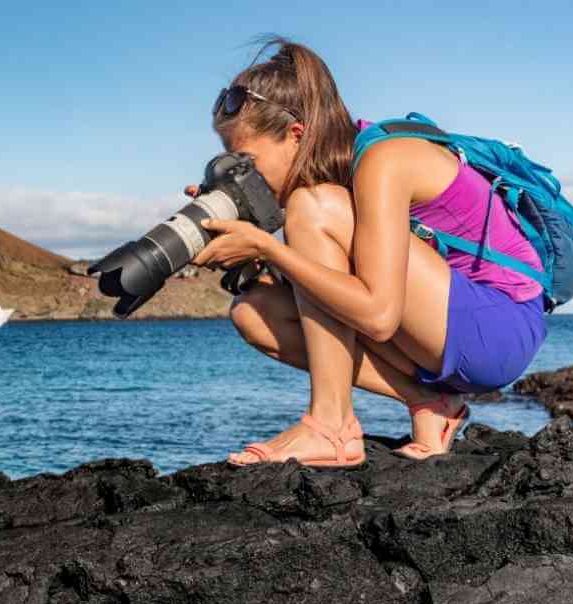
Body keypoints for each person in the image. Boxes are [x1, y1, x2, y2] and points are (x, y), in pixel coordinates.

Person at [187, 38, 547, 466]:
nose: (237, 172)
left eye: (244, 159)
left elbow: (377, 315)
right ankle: (431, 405)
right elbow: (333, 294)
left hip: (499, 327)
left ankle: (331, 427)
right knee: (255, 310)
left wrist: (268, 244)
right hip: (443, 330)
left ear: (296, 135)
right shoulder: (335, 179)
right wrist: (255, 258)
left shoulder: (383, 160)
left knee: (309, 206)